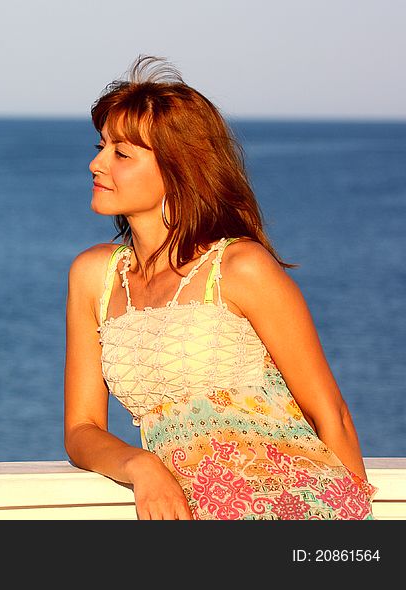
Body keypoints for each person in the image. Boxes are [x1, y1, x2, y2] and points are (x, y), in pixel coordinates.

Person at [63, 55, 378, 520]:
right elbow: (81, 429)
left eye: (121, 153)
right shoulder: (94, 275)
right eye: (101, 145)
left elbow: (330, 413)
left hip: (299, 508)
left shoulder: (240, 266)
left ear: (178, 169)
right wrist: (141, 464)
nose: (96, 163)